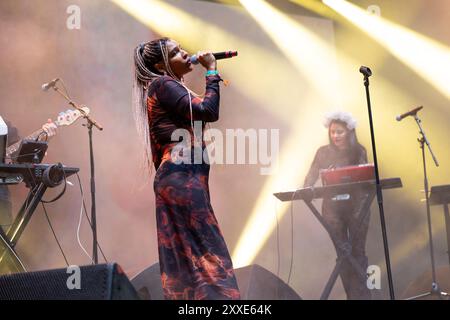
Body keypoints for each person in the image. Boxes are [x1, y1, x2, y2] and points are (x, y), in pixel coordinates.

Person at [132, 37, 240, 300]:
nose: (185, 53)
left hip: (179, 181)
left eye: (181, 49)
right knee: (206, 247)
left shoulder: (165, 87)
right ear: (161, 64)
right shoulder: (162, 83)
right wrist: (212, 70)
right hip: (181, 181)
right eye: (176, 52)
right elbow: (208, 110)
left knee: (185, 255)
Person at [303, 111, 371, 300]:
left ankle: (362, 296)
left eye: (339, 132)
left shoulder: (359, 150)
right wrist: (307, 187)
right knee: (342, 254)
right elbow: (311, 175)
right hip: (333, 209)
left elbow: (365, 178)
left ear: (349, 132)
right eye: (333, 132)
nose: (335, 136)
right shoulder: (322, 152)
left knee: (357, 252)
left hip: (358, 207)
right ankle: (352, 296)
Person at [0, 119, 58, 232]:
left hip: (1, 198)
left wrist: (42, 140)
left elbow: (22, 158)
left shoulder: (3, 124)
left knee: (3, 246)